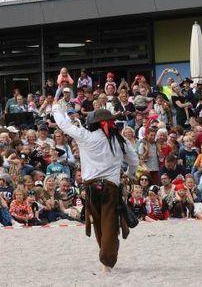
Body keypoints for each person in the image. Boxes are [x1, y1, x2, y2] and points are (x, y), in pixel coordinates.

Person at [52, 101, 138, 273]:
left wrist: (56, 108)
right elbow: (134, 161)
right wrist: (128, 174)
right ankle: (107, 259)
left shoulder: (86, 136)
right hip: (111, 187)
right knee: (110, 223)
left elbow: (63, 124)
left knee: (98, 223)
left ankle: (105, 258)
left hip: (91, 187)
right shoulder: (121, 140)